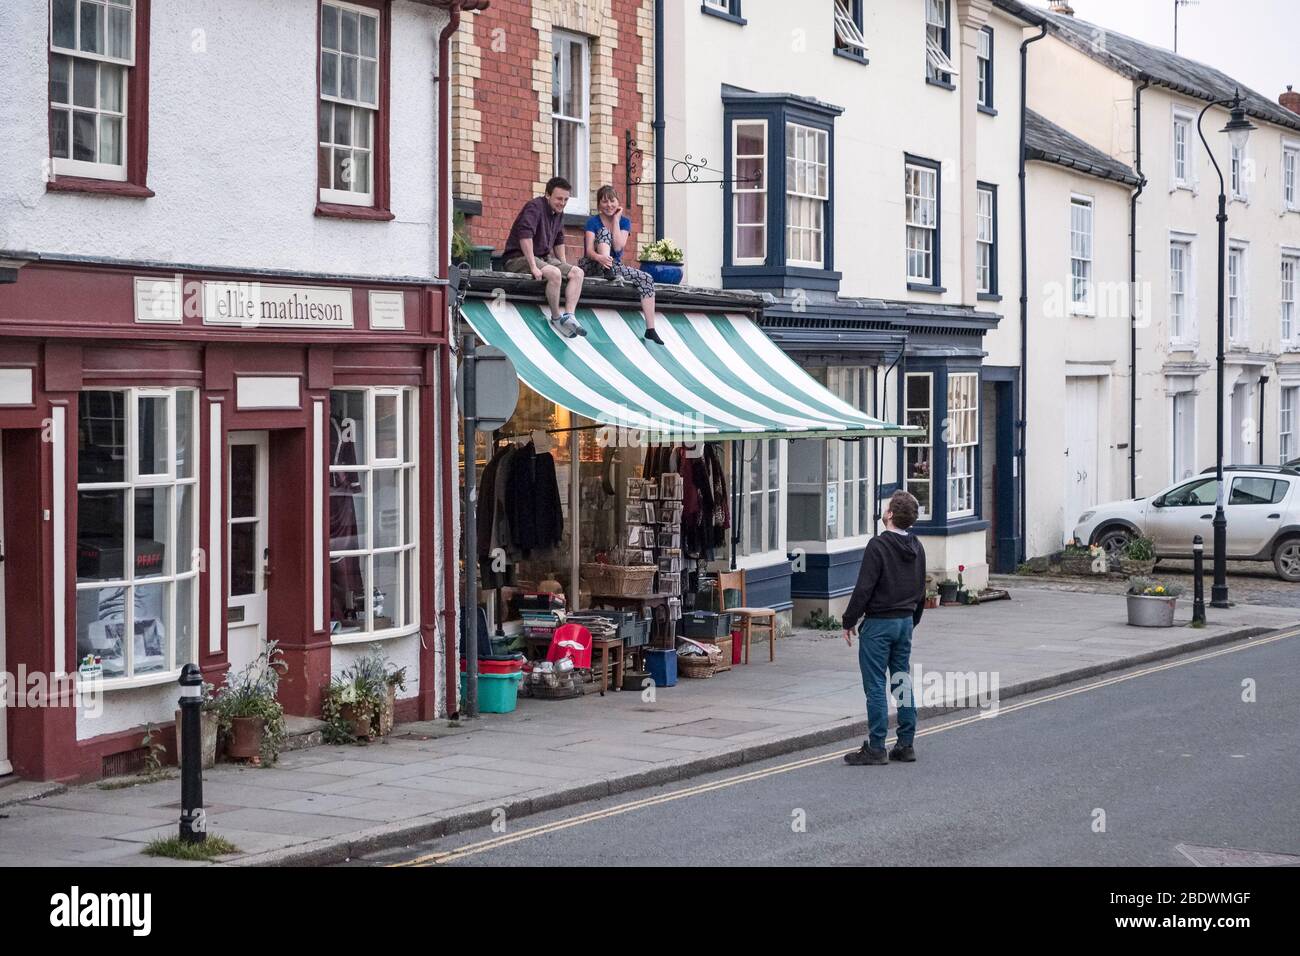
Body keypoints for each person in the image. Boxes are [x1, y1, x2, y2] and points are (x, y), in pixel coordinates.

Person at [841, 490, 927, 766]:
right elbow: (920, 588)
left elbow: (864, 587)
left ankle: (877, 746)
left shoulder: (877, 546)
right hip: (904, 621)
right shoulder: (917, 546)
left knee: (876, 684)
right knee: (901, 680)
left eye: (887, 506)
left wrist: (848, 620)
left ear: (890, 514)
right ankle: (905, 744)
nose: (884, 508)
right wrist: (912, 619)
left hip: (879, 624)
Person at [502, 176, 587, 339]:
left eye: (566, 200)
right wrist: (533, 266)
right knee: (554, 274)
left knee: (577, 273)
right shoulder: (534, 207)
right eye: (559, 198)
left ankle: (569, 315)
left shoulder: (559, 213)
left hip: (543, 256)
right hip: (517, 257)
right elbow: (525, 236)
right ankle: (556, 318)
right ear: (548, 195)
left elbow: (559, 240)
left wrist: (564, 266)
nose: (562, 203)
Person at [577, 186, 663, 345]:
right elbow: (589, 251)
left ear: (618, 202)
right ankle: (606, 268)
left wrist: (616, 220)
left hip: (614, 267)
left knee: (647, 278)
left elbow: (617, 247)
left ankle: (650, 329)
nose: (608, 205)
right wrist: (600, 258)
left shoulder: (624, 222)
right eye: (604, 201)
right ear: (598, 204)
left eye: (612, 201)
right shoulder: (592, 222)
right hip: (592, 264)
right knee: (603, 232)